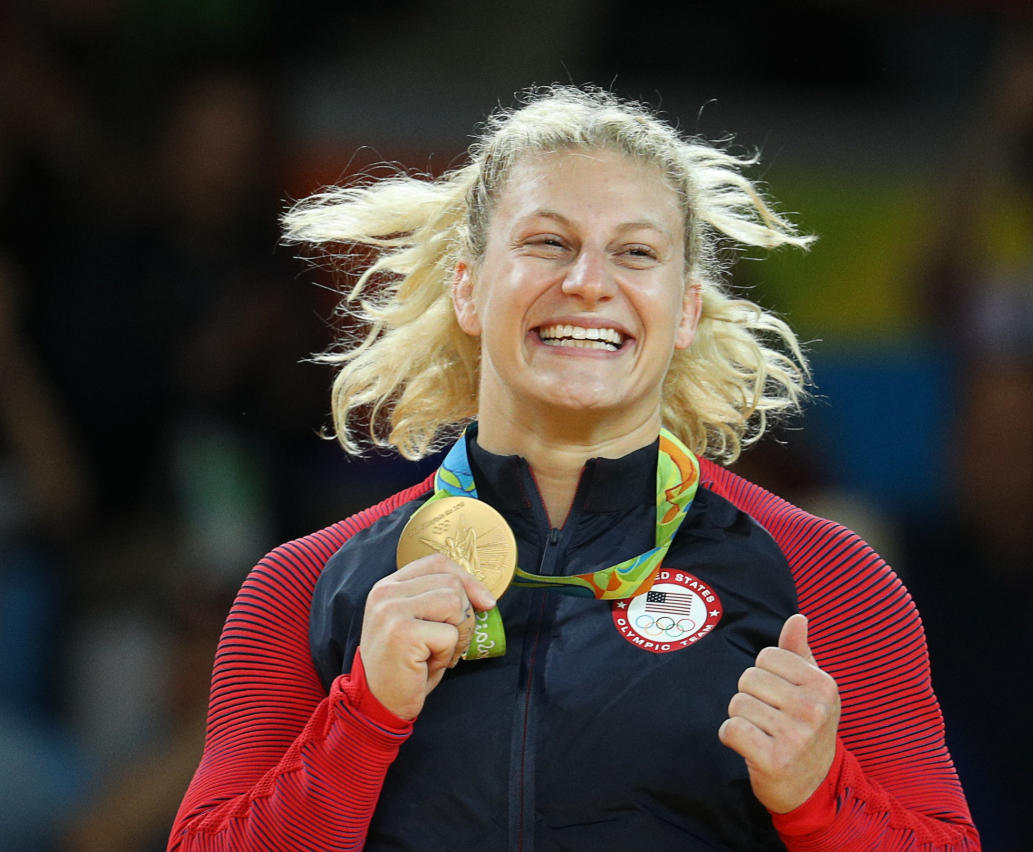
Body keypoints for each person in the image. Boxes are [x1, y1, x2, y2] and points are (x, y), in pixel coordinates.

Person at [169, 85, 979, 851]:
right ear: (468, 289)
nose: (589, 283)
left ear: (687, 307)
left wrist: (818, 795)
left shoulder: (826, 580)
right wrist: (364, 718)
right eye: (548, 242)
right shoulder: (310, 586)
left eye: (635, 252)